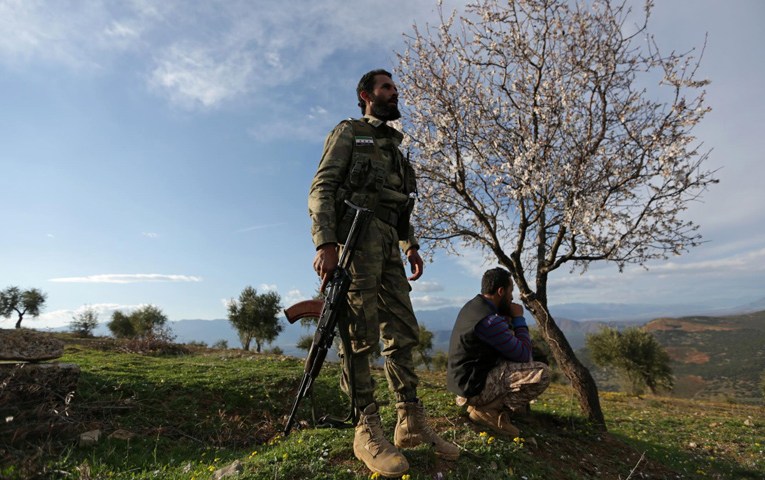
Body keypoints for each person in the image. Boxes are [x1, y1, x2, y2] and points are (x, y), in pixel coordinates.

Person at [308, 69, 459, 477]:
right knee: (359, 336)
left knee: (403, 330)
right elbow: (322, 187)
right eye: (386, 88)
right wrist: (326, 243)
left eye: (395, 88)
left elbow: (398, 206)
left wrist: (410, 245)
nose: (395, 93)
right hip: (354, 244)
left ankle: (410, 422)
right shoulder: (350, 133)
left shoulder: (394, 150)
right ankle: (366, 431)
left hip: (389, 246)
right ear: (366, 95)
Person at [447, 267, 550, 437]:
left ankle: (484, 405)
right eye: (511, 292)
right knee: (542, 372)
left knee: (523, 357)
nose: (512, 297)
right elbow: (524, 355)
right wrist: (518, 319)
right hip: (472, 388)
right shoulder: (489, 321)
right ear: (501, 291)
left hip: (465, 383)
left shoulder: (475, 307)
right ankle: (488, 411)